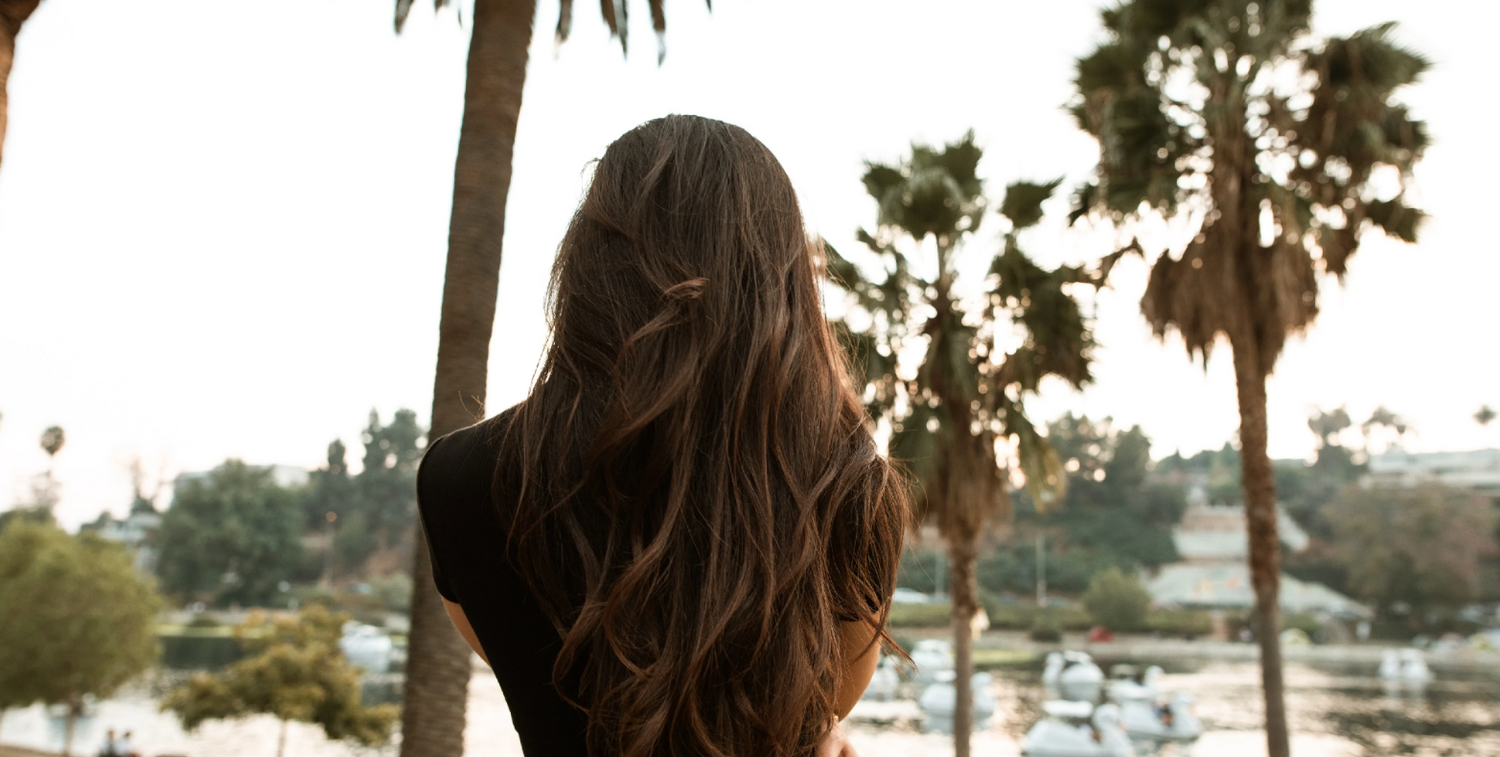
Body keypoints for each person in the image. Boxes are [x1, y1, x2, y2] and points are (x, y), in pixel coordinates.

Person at [417, 115, 909, 757]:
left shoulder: (458, 478)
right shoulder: (847, 484)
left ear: (586, 259)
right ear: (782, 274)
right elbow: (823, 706)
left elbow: (515, 660)